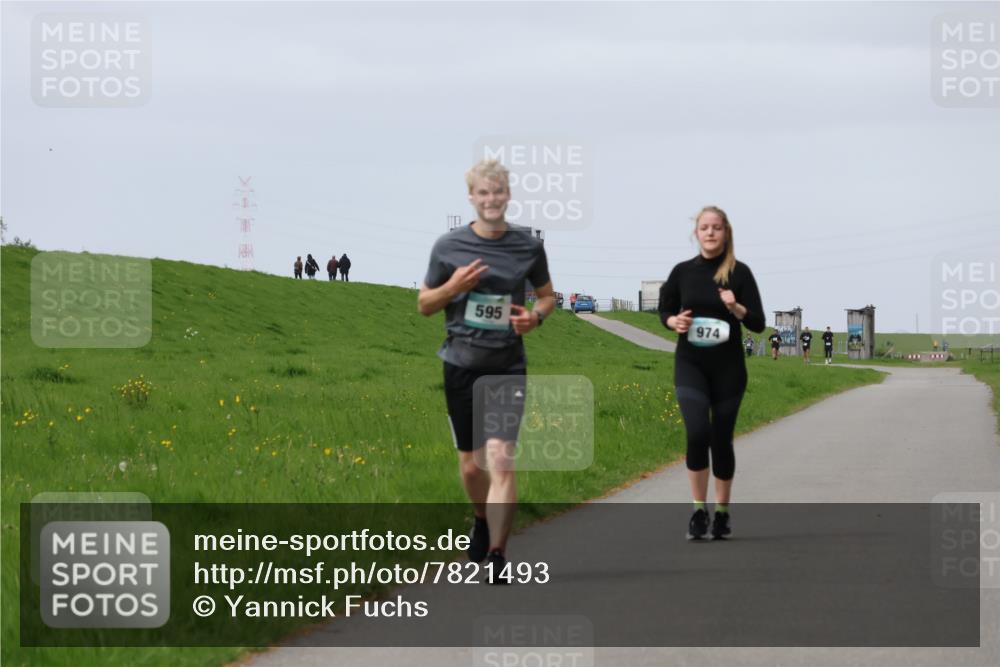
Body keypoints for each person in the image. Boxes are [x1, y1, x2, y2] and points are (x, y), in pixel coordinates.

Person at [418, 159, 555, 582]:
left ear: (508, 196)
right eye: (483, 192)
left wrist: (535, 317)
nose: (491, 199)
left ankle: (497, 553)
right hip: (460, 364)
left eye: (498, 192)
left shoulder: (527, 247)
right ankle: (481, 519)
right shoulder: (448, 247)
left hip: (507, 366)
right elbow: (425, 305)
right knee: (471, 466)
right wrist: (453, 288)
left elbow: (547, 296)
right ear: (472, 197)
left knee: (500, 458)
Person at [658, 205, 765, 541]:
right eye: (704, 227)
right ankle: (697, 510)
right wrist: (673, 322)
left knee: (721, 440)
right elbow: (664, 308)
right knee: (697, 433)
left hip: (729, 370)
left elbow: (758, 323)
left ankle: (721, 513)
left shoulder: (740, 274)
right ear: (696, 233)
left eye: (716, 227)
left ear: (726, 232)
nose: (710, 233)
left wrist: (736, 307)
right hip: (691, 365)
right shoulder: (682, 272)